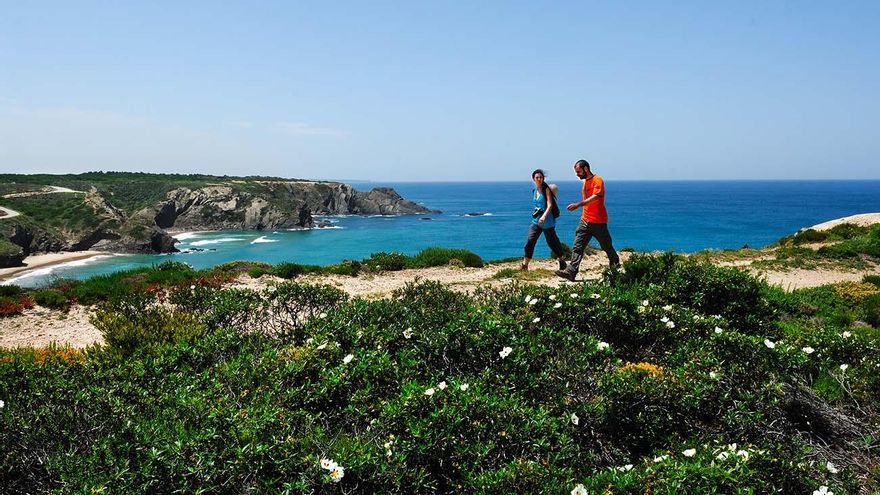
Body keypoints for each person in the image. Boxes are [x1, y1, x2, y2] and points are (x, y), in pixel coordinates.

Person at [555, 159, 619, 281]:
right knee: (577, 246)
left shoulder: (597, 180)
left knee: (607, 247)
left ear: (585, 169)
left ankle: (615, 264)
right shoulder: (585, 183)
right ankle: (571, 271)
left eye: (578, 171)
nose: (577, 174)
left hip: (599, 222)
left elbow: (596, 196)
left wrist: (578, 204)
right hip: (585, 221)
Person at [522, 169, 567, 271]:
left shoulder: (546, 189)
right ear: (533, 178)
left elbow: (550, 205)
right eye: (537, 177)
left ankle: (562, 261)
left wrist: (544, 216)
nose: (539, 179)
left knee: (552, 243)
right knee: (530, 241)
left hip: (547, 221)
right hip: (536, 221)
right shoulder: (534, 191)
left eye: (541, 177)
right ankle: (525, 265)